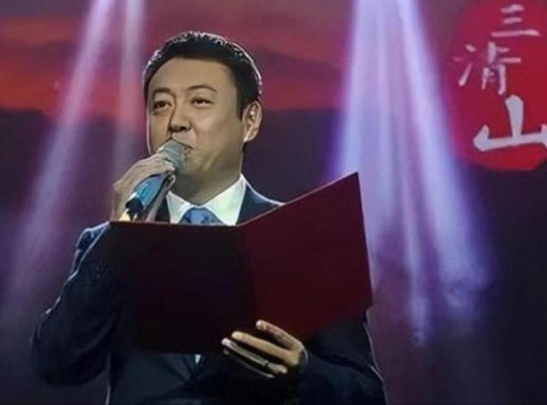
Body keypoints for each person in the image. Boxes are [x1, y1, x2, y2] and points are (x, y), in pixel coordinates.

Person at [31, 31, 386, 404]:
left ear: (250, 120)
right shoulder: (108, 243)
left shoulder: (307, 240)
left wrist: (302, 371)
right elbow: (56, 364)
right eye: (160, 105)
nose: (176, 122)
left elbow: (367, 394)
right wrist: (119, 237)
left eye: (199, 101)